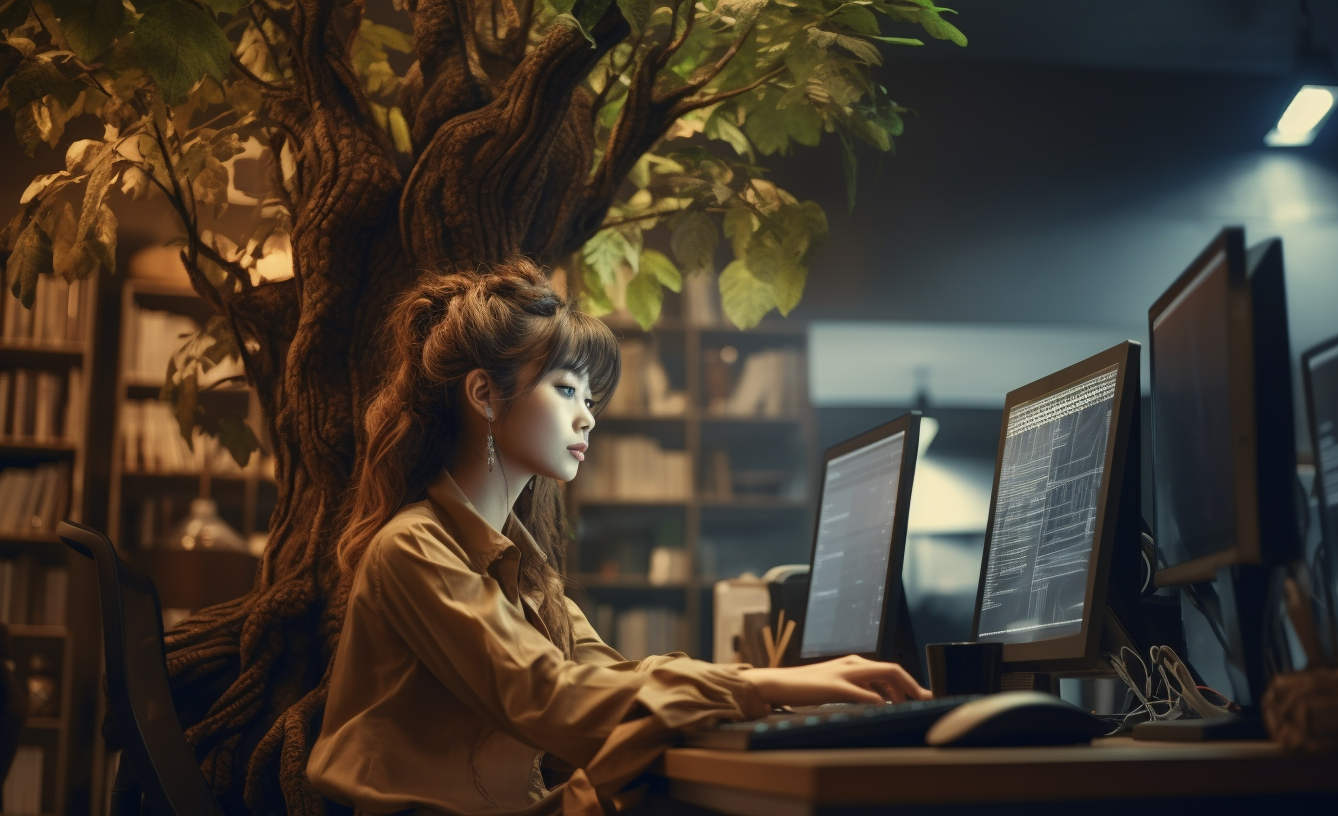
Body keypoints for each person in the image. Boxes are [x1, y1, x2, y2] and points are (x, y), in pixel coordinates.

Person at [306, 260, 926, 816]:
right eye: (567, 389)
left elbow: (610, 674)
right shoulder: (412, 546)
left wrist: (769, 690)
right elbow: (548, 698)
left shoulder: (522, 565)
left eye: (590, 397)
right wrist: (761, 686)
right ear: (483, 394)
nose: (588, 416)